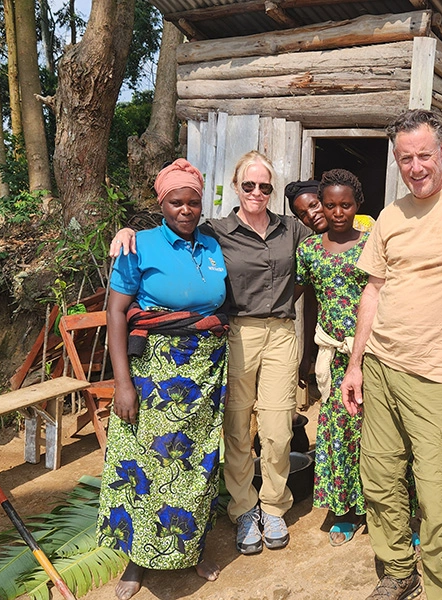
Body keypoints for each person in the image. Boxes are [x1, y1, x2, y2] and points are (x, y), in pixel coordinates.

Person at [111, 151, 310, 556]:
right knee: (237, 427)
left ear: (273, 190)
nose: (257, 192)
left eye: (265, 186)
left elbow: (322, 253)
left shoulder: (291, 229)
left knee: (277, 428)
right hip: (236, 333)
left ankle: (273, 505)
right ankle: (242, 509)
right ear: (236, 187)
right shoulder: (216, 231)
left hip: (282, 334)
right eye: (249, 185)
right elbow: (173, 227)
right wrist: (127, 229)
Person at [341, 109, 442, 600]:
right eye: (407, 158)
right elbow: (373, 292)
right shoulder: (391, 215)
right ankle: (399, 570)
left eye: (425, 154)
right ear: (396, 160)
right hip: (381, 367)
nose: (417, 166)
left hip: (440, 374)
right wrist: (356, 364)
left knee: (437, 494)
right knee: (379, 478)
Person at [98, 159, 229, 600]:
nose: (186, 210)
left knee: (198, 466)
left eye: (193, 201)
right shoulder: (139, 246)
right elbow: (116, 312)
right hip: (154, 372)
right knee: (147, 465)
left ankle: (192, 549)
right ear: (162, 204)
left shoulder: (213, 247)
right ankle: (136, 561)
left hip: (206, 370)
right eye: (177, 202)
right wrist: (123, 383)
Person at [295, 169, 371, 545]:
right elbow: (309, 300)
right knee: (338, 433)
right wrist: (307, 355)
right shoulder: (309, 249)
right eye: (330, 205)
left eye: (346, 205)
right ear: (321, 206)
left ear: (358, 206)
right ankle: (343, 511)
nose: (338, 212)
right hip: (333, 357)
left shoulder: (373, 243)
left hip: (373, 355)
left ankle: (386, 508)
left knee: (380, 435)